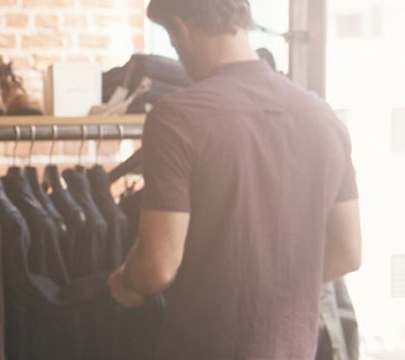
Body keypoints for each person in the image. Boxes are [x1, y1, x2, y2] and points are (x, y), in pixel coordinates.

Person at [107, 0, 363, 359]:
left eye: (173, 41)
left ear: (180, 28)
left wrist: (126, 281)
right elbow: (348, 252)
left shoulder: (177, 118)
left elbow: (157, 267)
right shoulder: (324, 118)